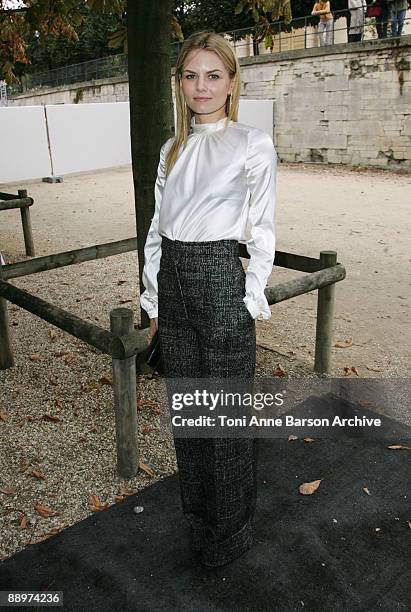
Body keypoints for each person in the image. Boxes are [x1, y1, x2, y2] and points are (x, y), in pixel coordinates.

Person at [140, 31, 277, 567]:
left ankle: (232, 534)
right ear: (180, 83)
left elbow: (263, 228)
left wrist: (249, 297)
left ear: (231, 81)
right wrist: (152, 302)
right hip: (173, 280)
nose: (202, 86)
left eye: (213, 75)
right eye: (191, 75)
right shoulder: (171, 149)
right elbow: (156, 229)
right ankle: (198, 523)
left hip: (221, 278)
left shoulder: (251, 142)